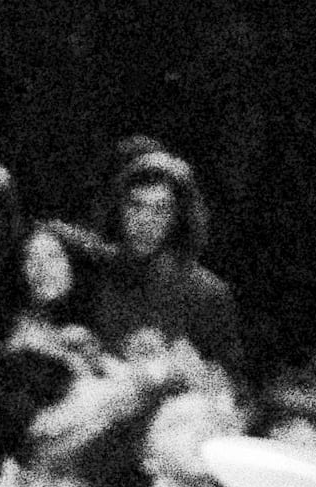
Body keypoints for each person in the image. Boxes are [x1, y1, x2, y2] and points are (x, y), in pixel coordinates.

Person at [82, 143, 246, 371]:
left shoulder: (207, 292)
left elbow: (232, 387)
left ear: (178, 218)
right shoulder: (94, 273)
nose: (145, 222)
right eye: (136, 205)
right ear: (119, 209)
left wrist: (183, 366)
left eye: (160, 209)